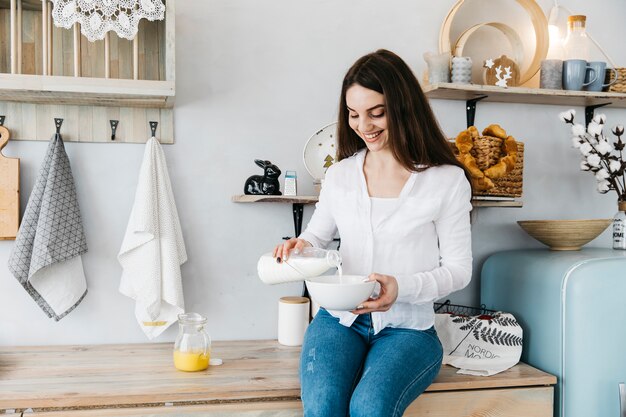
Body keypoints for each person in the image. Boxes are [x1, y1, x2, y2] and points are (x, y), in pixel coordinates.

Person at [273, 49, 473, 417]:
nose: (364, 125)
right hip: (339, 320)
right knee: (323, 407)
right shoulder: (340, 175)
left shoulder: (446, 180)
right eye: (353, 114)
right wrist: (300, 247)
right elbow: (316, 239)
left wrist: (402, 287)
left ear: (403, 107)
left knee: (370, 407)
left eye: (376, 113)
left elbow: (459, 270)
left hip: (409, 330)